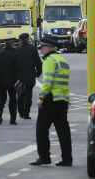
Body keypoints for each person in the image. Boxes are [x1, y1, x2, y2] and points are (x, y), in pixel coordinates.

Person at [30, 38, 72, 166]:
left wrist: (42, 97)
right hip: (63, 99)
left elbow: (48, 81)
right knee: (63, 130)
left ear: (49, 47)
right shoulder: (63, 61)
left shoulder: (49, 61)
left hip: (51, 98)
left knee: (41, 128)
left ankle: (44, 157)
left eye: (42, 48)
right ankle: (67, 159)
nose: (41, 51)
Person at [0, 38, 18, 125]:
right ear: (11, 44)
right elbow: (19, 67)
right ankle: (12, 120)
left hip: (0, 80)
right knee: (13, 100)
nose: (15, 45)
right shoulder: (15, 53)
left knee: (0, 99)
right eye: (14, 43)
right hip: (12, 81)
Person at [16, 33, 42, 120]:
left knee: (20, 95)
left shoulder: (17, 49)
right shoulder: (32, 49)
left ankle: (21, 112)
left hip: (19, 77)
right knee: (28, 94)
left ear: (20, 40)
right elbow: (38, 62)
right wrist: (38, 72)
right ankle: (26, 114)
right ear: (28, 39)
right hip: (30, 76)